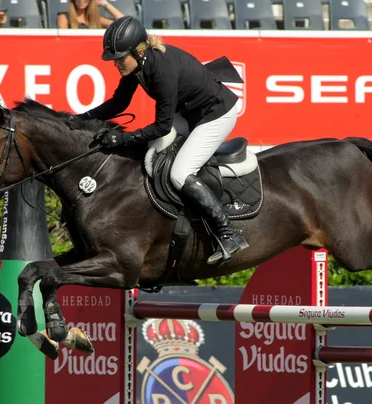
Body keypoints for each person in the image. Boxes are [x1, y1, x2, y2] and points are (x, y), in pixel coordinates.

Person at [70, 16, 248, 265]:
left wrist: (120, 139)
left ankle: (228, 234)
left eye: (120, 58)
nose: (116, 64)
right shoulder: (139, 65)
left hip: (216, 114)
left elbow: (162, 127)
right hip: (189, 112)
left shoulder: (161, 71)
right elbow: (119, 103)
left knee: (180, 173)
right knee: (151, 153)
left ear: (139, 51)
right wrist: (82, 119)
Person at [57, 0, 124, 29]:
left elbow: (124, 22)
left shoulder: (96, 19)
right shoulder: (64, 17)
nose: (81, 0)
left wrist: (104, 3)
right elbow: (64, 40)